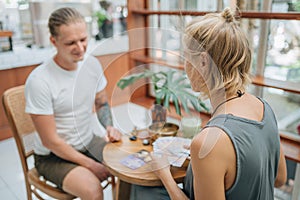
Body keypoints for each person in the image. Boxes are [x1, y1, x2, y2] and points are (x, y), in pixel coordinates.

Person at [151, 7, 287, 200]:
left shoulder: (210, 141)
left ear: (204, 62)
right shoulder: (264, 107)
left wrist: (164, 174)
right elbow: (279, 179)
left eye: (187, 59)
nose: (184, 67)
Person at [24, 7, 121, 199]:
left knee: (127, 166)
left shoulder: (92, 64)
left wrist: (109, 126)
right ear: (54, 41)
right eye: (71, 43)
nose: (81, 48)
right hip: (53, 157)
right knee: (93, 190)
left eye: (83, 39)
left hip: (87, 141)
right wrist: (90, 164)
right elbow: (50, 141)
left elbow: (101, 103)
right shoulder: (40, 81)